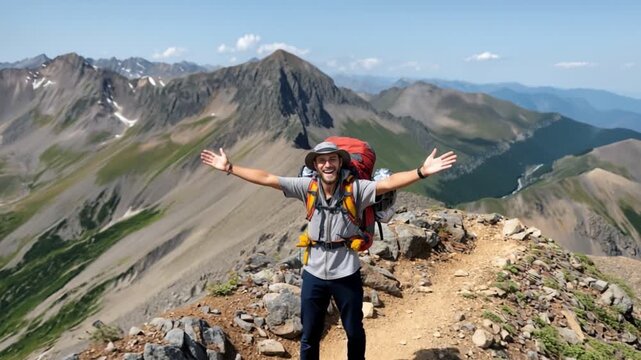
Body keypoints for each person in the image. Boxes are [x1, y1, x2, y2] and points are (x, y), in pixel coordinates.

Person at [200, 141, 457, 360]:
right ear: (315, 165)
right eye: (322, 161)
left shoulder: (355, 189)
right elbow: (268, 179)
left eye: (332, 159)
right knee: (310, 334)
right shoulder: (306, 187)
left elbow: (387, 184)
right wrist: (230, 168)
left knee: (354, 330)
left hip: (346, 272)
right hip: (313, 273)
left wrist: (422, 172)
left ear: (339, 162)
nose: (327, 165)